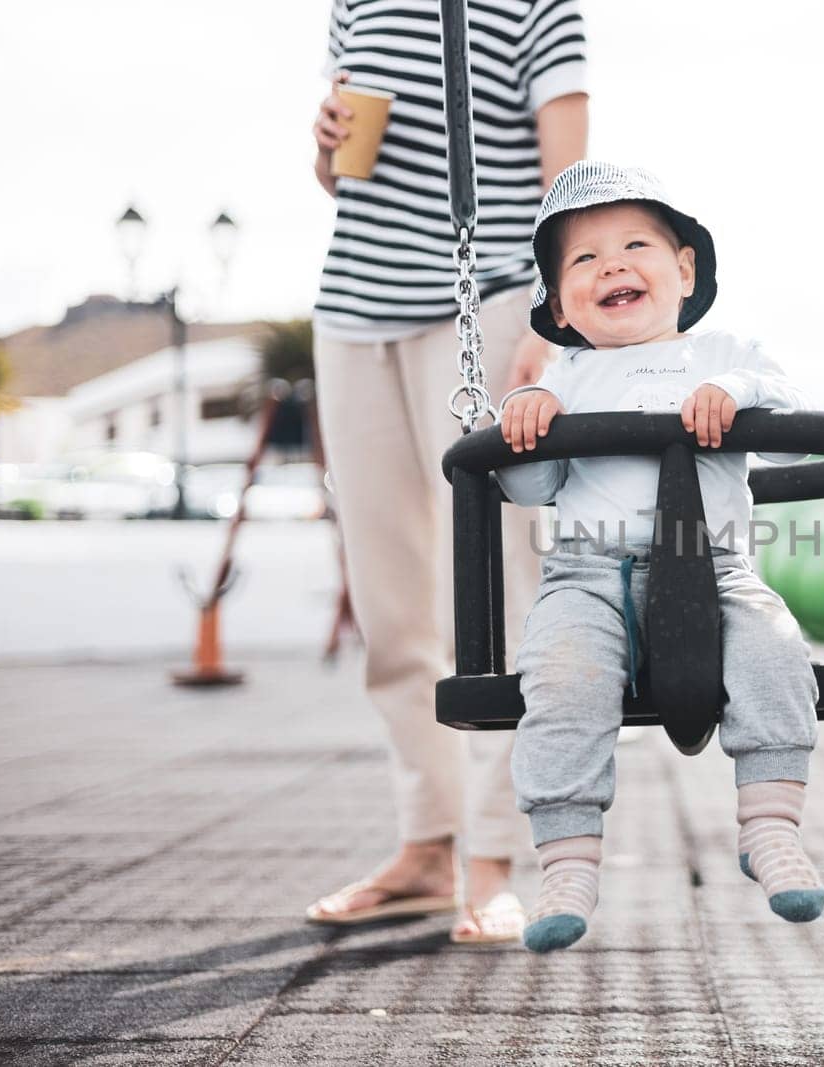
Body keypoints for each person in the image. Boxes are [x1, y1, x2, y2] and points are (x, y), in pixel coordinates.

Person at [303, 0, 588, 945]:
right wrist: (324, 147)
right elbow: (346, 178)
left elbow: (570, 179)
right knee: (388, 598)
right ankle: (426, 842)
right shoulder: (355, 3)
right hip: (352, 306)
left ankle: (496, 857)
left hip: (487, 298)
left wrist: (552, 328)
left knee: (489, 588)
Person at [493, 162, 824, 953]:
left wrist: (738, 393)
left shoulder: (724, 350)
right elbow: (528, 483)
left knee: (776, 654)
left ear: (683, 270)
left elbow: (791, 414)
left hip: (714, 565)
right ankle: (567, 856)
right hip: (589, 575)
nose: (611, 264)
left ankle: (770, 824)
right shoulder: (564, 376)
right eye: (583, 259)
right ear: (561, 305)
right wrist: (524, 415)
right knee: (562, 679)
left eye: (635, 244)